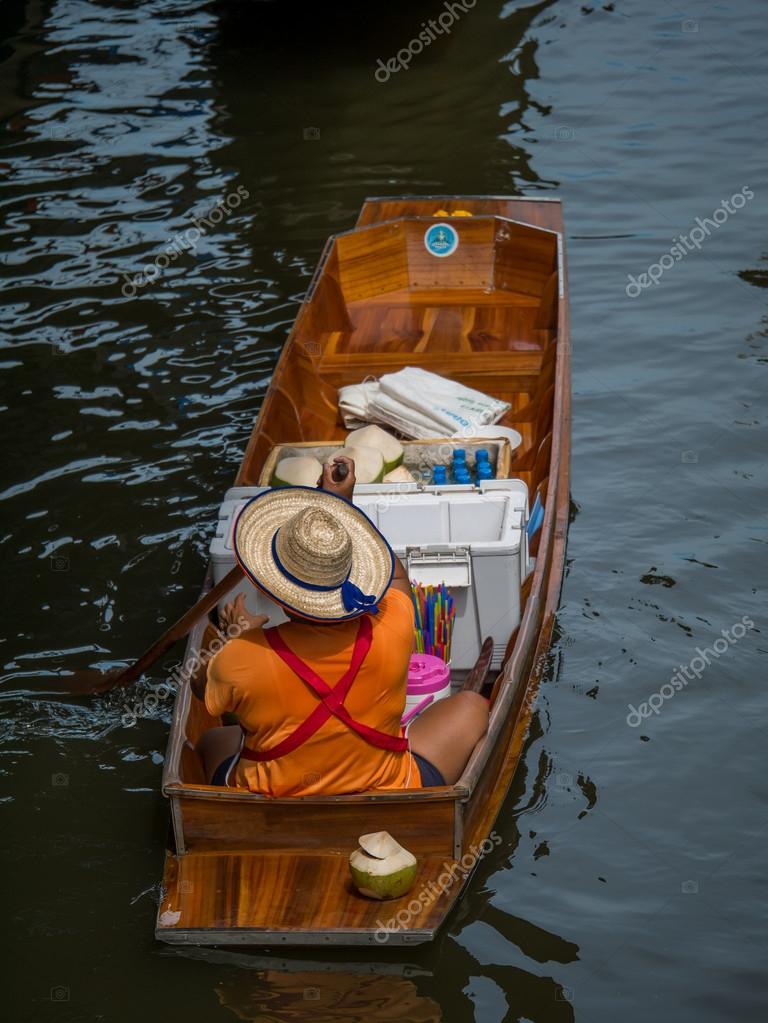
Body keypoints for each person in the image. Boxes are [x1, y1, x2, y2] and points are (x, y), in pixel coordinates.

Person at [193, 454, 489, 795]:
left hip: (271, 801)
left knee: (211, 739)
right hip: (389, 789)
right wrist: (342, 508)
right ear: (354, 572)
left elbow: (200, 689)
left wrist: (234, 638)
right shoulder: (392, 622)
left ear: (272, 591)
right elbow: (395, 577)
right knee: (473, 706)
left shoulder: (241, 655)